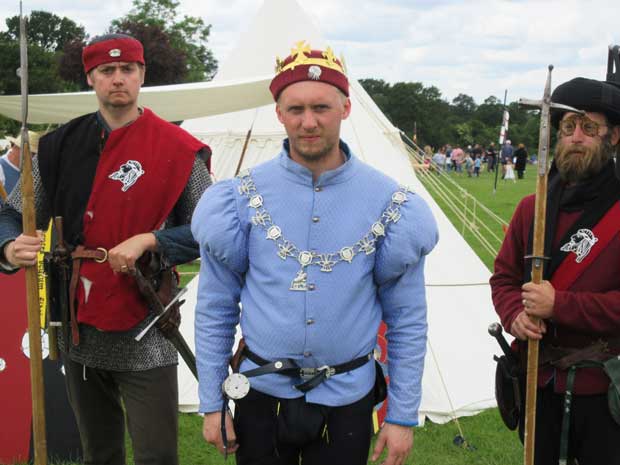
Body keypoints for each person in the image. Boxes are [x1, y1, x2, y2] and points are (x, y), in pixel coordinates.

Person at [193, 42, 438, 465]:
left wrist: (401, 415)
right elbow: (215, 308)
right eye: (296, 109)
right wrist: (213, 402)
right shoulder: (237, 200)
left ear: (345, 108)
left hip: (348, 401)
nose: (308, 122)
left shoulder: (391, 204)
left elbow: (407, 320)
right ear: (279, 113)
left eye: (321, 108)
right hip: (259, 394)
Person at [0, 34, 212, 465]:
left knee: (156, 455)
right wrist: (9, 246)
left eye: (127, 70)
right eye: (106, 72)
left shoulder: (178, 148)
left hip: (147, 318)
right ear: (92, 78)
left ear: (141, 75)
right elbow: (11, 214)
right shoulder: (60, 145)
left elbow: (211, 230)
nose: (118, 79)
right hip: (78, 318)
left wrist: (153, 240)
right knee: (99, 453)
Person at [490, 76, 620, 465]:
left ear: (613, 137)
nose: (576, 137)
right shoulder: (532, 208)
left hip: (607, 392)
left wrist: (560, 305)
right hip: (539, 385)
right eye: (567, 127)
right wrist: (514, 315)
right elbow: (504, 279)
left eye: (589, 128)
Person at [0, 131, 40, 201]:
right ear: (17, 148)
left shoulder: (31, 172)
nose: (34, 158)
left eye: (35, 155)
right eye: (32, 153)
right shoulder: (1, 167)